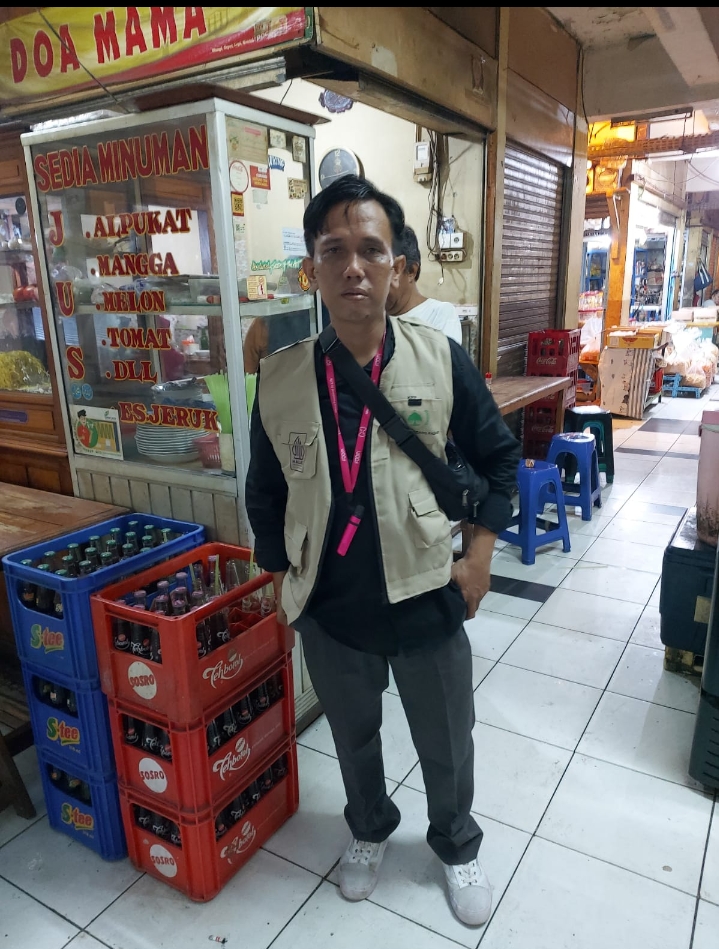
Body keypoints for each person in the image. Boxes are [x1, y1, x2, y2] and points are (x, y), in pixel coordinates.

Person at [245, 175, 520, 927]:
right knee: (352, 734)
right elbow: (265, 490)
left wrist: (479, 558)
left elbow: (500, 461)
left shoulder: (439, 359)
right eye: (334, 250)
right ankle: (367, 827)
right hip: (330, 602)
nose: (353, 267)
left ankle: (455, 843)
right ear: (312, 268)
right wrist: (280, 582)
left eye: (371, 249)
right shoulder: (280, 377)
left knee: (446, 737)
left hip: (427, 588)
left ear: (397, 265)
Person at [385, 224, 462, 343]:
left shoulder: (440, 314)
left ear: (411, 271)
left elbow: (441, 355)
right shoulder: (372, 318)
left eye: (385, 271)